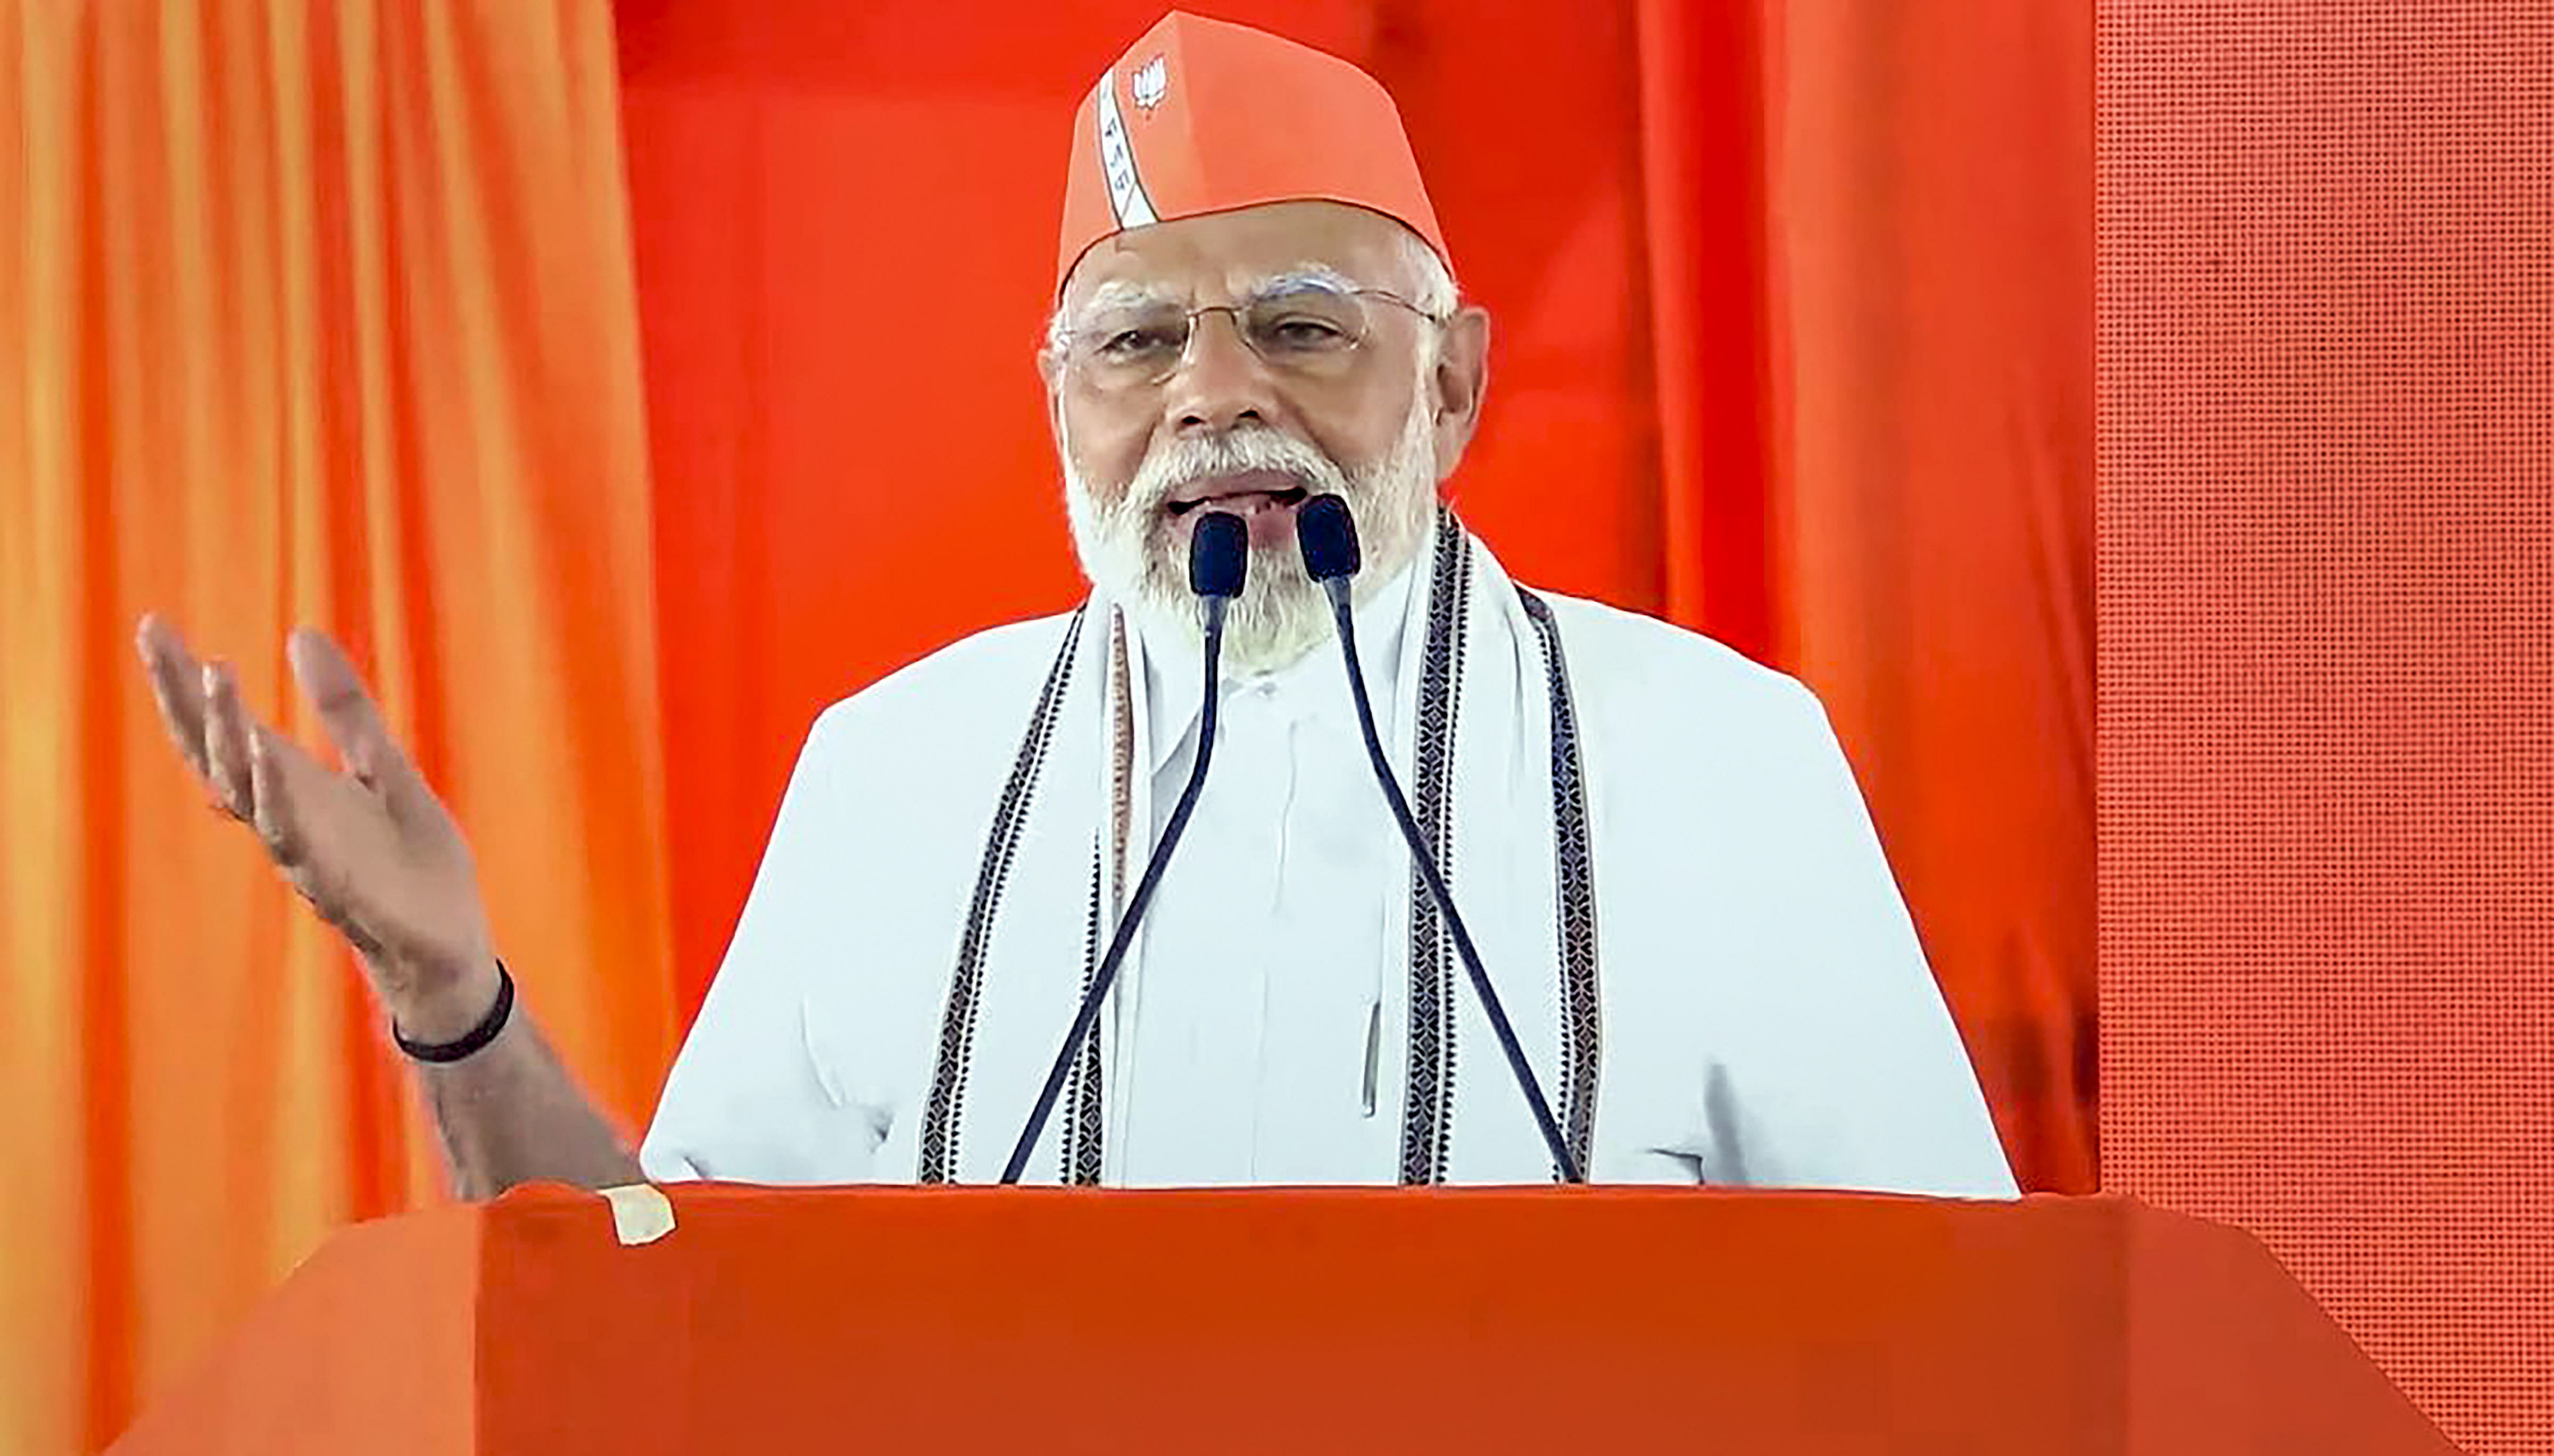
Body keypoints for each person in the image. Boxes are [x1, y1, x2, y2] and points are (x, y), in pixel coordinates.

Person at [133, 12, 2016, 1197]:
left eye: (1299, 325)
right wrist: (454, 999)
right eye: (1136, 344)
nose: (1213, 399)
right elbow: (657, 1328)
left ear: (1451, 384)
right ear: (1061, 405)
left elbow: (1955, 1358)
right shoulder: (896, 777)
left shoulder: (1717, 764)